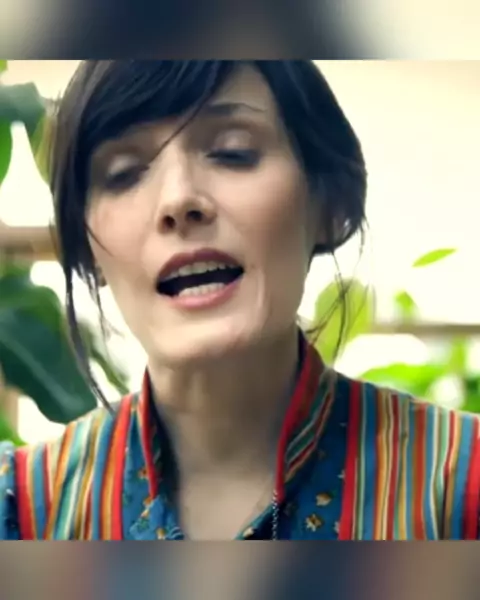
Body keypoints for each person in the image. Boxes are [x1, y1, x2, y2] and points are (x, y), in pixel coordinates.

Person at [0, 60, 479, 541]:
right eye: (123, 174)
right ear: (89, 251)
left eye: (232, 152)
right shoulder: (24, 511)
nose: (178, 200)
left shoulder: (459, 485)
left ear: (330, 205)